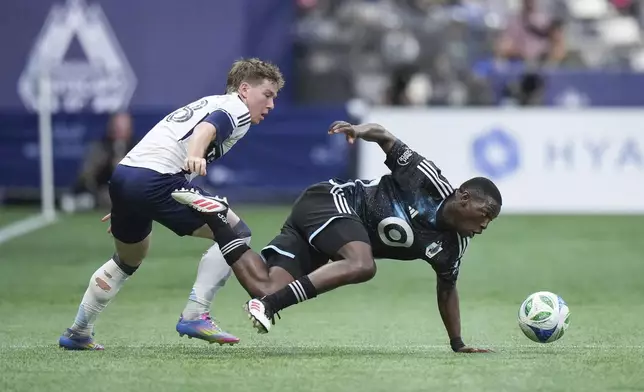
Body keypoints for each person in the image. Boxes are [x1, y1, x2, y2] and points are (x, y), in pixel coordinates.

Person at [173, 121, 502, 353]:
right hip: (329, 201)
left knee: (266, 286)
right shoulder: (427, 180)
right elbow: (385, 136)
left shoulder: (451, 248)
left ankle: (217, 218)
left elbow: (447, 291)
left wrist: (458, 344)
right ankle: (270, 306)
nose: (485, 225)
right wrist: (359, 131)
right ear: (464, 198)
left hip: (329, 236)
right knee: (362, 264)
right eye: (484, 214)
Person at [58, 58, 285, 350]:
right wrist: (195, 154)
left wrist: (127, 197)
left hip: (126, 176)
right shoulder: (236, 108)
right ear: (244, 89)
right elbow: (205, 130)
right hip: (158, 178)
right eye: (267, 95)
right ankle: (195, 313)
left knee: (129, 258)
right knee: (236, 231)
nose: (271, 105)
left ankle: (78, 332)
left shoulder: (210, 101)